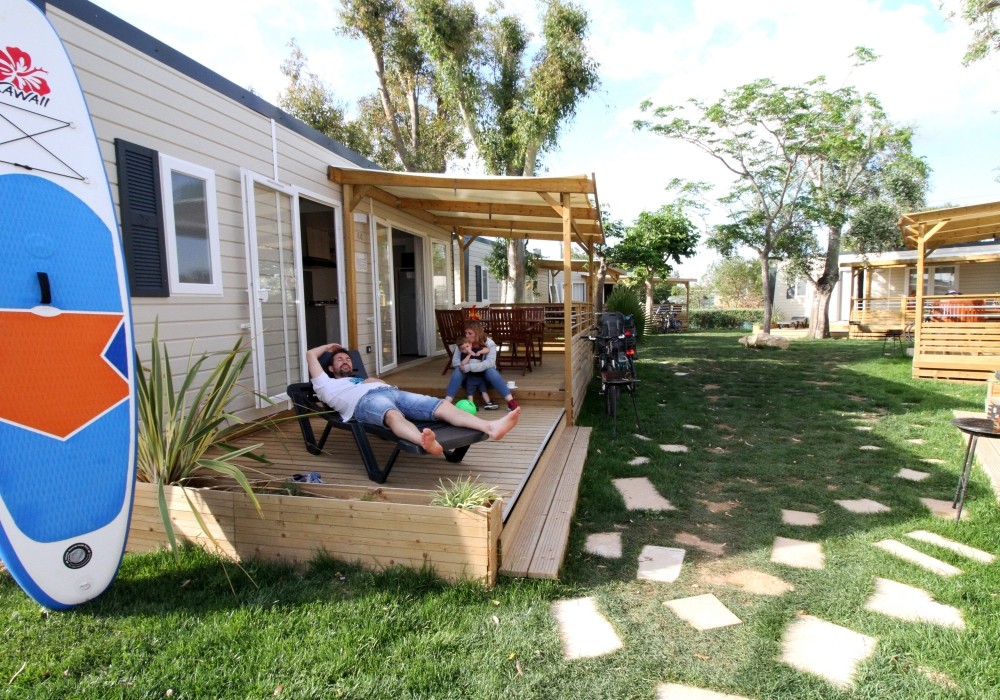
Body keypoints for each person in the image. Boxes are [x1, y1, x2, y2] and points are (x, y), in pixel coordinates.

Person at [307, 342, 520, 456]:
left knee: (441, 405)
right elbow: (310, 354)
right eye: (339, 359)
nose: (345, 361)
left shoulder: (361, 379)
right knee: (392, 415)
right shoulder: (325, 384)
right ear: (330, 368)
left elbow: (379, 383)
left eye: (347, 358)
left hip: (393, 391)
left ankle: (491, 427)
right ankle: (423, 442)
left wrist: (373, 381)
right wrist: (328, 347)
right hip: (364, 402)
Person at [444, 320, 518, 412]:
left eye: (470, 333)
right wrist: (468, 362)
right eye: (466, 333)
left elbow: (490, 363)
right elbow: (455, 362)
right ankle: (446, 403)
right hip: (468, 381)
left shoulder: (490, 344)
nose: (467, 336)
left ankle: (511, 402)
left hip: (485, 380)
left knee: (491, 370)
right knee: (458, 370)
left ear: (477, 333)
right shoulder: (463, 344)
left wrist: (469, 367)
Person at [456, 339, 496, 409]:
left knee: (484, 391)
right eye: (463, 349)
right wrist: (469, 355)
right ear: (461, 350)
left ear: (471, 345)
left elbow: (487, 350)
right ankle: (471, 405)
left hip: (480, 377)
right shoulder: (464, 355)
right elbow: (463, 363)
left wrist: (480, 352)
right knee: (470, 392)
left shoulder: (476, 350)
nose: (466, 349)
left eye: (467, 346)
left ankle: (488, 403)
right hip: (471, 377)